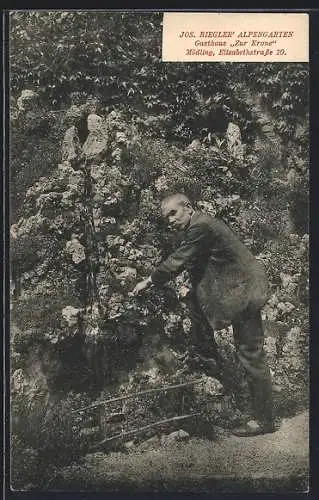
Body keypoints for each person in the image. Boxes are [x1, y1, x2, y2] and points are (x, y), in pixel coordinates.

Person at [132, 193, 276, 437]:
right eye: (165, 217)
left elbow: (178, 260)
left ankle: (264, 420)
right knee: (249, 352)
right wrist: (192, 287)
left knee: (251, 353)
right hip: (243, 290)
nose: (169, 220)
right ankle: (255, 409)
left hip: (245, 293)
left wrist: (148, 281)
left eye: (173, 213)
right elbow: (205, 262)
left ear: (188, 207)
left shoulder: (200, 226)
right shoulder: (201, 225)